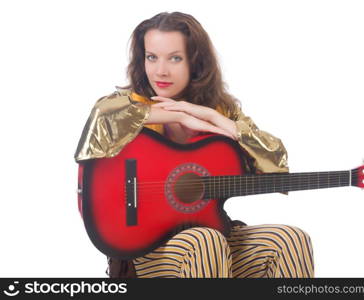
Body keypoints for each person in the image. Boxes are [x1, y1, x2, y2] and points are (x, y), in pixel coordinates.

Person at [74, 11, 314, 278]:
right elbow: (99, 122)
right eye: (152, 57)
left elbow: (275, 163)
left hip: (212, 234)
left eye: (175, 58)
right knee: (204, 241)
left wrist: (212, 117)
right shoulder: (126, 105)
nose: (160, 70)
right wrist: (177, 114)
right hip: (146, 246)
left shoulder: (221, 109)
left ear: (196, 63)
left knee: (290, 239)